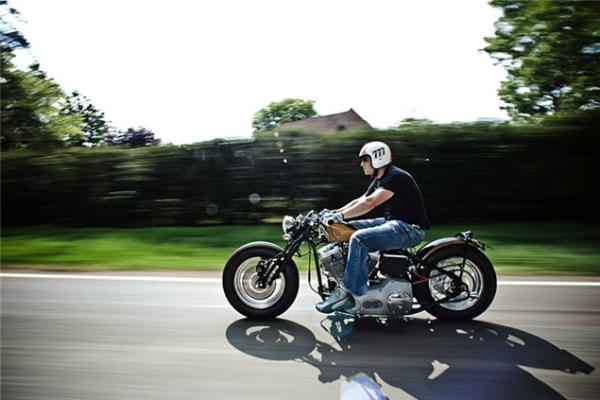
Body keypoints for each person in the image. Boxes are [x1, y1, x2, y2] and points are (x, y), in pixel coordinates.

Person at [316, 141, 430, 313]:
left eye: (364, 159)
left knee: (359, 238)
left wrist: (338, 216)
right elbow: (361, 200)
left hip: (410, 228)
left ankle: (349, 293)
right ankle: (343, 271)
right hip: (393, 223)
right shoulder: (380, 178)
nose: (361, 164)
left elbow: (370, 203)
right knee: (346, 227)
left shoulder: (396, 176)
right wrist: (334, 214)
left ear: (377, 158)